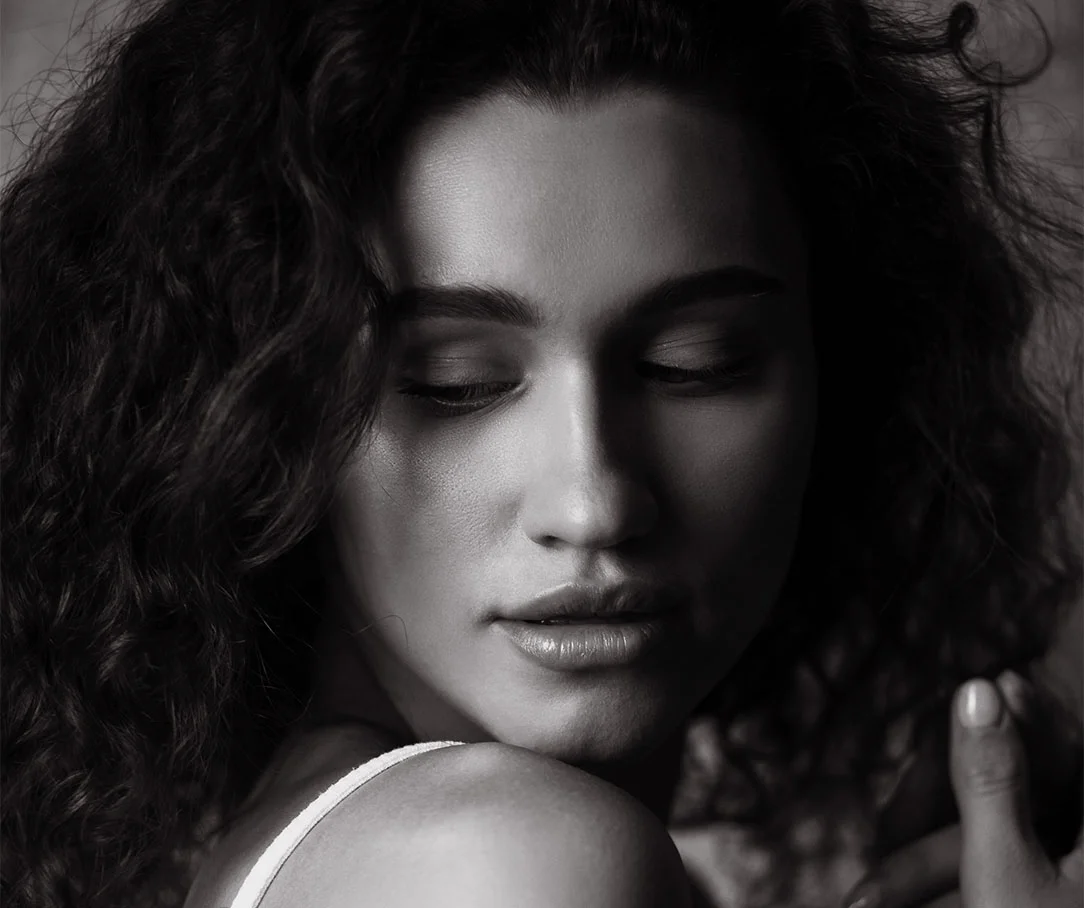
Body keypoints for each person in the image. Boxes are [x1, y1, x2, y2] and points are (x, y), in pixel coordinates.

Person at [1, 0, 1081, 906]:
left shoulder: (355, 842)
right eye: (454, 382)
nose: (595, 496)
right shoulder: (511, 862)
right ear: (260, 413)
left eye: (695, 362)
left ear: (841, 371)